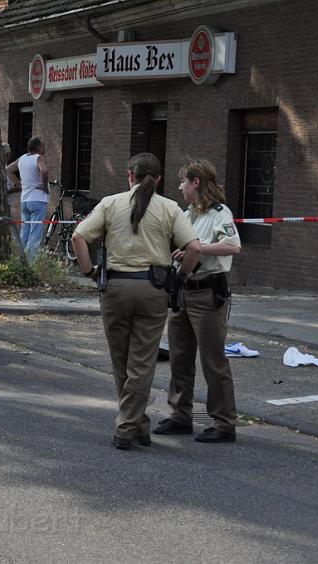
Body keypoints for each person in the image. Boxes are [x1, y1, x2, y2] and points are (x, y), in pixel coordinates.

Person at [72, 153, 200, 451]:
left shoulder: (110, 203)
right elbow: (193, 247)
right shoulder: (169, 207)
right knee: (142, 362)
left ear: (129, 175)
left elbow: (79, 237)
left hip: (115, 288)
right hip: (153, 289)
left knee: (121, 360)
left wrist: (89, 271)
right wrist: (180, 277)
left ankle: (133, 423)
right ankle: (131, 425)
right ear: (158, 178)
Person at [154, 159, 241, 443]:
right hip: (184, 289)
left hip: (207, 293)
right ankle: (180, 415)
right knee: (179, 357)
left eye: (183, 181)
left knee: (212, 360)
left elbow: (233, 245)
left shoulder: (220, 213)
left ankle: (224, 422)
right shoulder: (187, 213)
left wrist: (198, 248)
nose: (179, 186)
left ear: (196, 182)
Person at [6, 137, 48, 260]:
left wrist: (19, 183)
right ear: (38, 147)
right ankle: (31, 264)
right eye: (43, 145)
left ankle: (20, 261)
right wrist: (44, 186)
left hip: (25, 200)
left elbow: (8, 170)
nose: (45, 148)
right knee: (35, 234)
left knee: (24, 232)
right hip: (38, 200)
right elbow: (44, 171)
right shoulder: (39, 158)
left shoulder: (22, 158)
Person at [1, 143, 21, 221]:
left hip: (8, 203)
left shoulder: (5, 167)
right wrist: (20, 187)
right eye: (9, 154)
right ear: (7, 154)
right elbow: (6, 191)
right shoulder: (2, 169)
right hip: (5, 203)